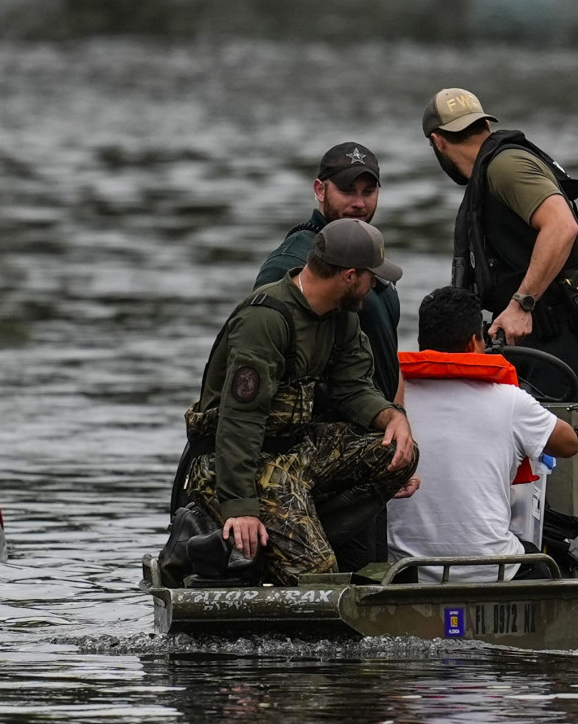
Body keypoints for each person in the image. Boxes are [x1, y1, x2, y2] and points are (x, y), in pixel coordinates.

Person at [178, 219, 419, 586]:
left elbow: (354, 388)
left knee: (397, 453)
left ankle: (297, 531)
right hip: (232, 463)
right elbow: (239, 420)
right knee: (317, 575)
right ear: (350, 276)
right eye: (373, 277)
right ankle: (245, 545)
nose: (376, 287)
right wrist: (240, 507)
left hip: (294, 454)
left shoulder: (341, 318)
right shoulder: (266, 319)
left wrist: (392, 417)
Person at [255, 141, 405, 572]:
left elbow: (384, 362)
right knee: (338, 579)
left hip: (365, 447)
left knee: (370, 577)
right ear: (320, 190)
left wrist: (394, 435)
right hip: (319, 459)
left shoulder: (370, 258)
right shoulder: (292, 262)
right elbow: (265, 367)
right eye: (347, 191)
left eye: (368, 191)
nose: (359, 203)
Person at [422, 87, 578, 407]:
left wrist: (522, 304)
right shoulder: (490, 171)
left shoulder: (505, 166)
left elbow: (562, 226)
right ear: (486, 126)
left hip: (560, 338)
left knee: (560, 450)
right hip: (537, 339)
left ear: (437, 141)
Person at [387, 287, 578, 582]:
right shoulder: (510, 400)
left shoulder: (389, 402)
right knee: (549, 559)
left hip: (406, 573)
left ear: (420, 343)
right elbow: (569, 444)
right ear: (473, 343)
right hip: (492, 569)